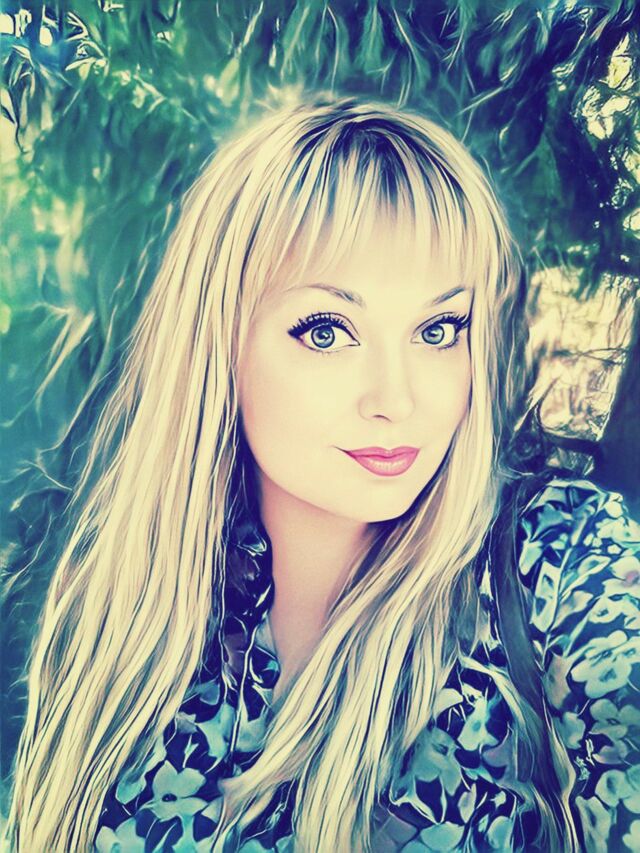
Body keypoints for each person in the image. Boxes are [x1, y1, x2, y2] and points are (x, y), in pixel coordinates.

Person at [4, 93, 639, 853]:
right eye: (329, 331)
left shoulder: (557, 558)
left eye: (439, 330)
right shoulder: (122, 606)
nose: (396, 399)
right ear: (220, 343)